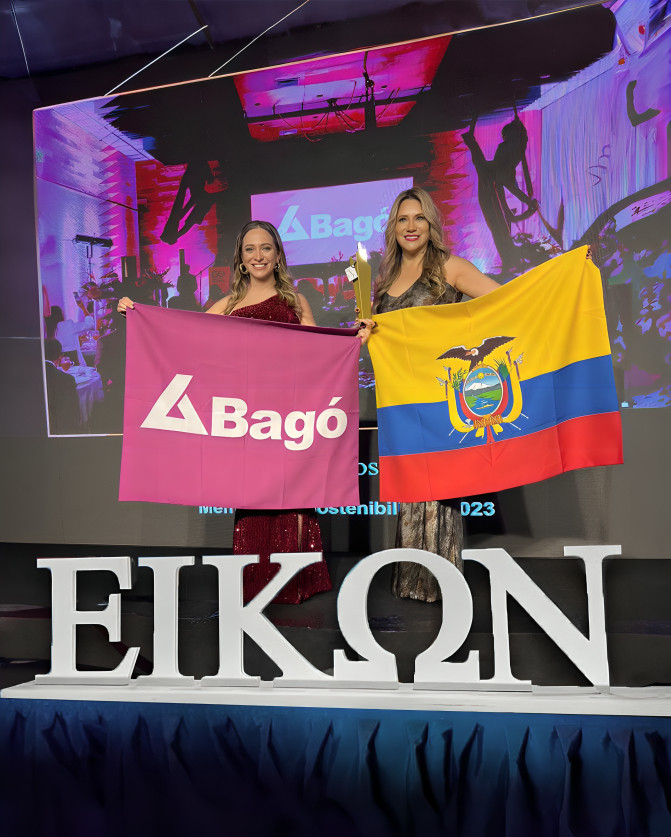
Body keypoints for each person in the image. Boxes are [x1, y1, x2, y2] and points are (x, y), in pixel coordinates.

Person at [118, 221, 373, 604]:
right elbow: (185, 336)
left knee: (295, 497)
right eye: (250, 249)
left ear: (277, 254)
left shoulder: (295, 301)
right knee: (252, 499)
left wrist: (355, 340)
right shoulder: (228, 305)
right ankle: (256, 582)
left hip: (286, 421)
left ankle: (298, 583)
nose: (258, 256)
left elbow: (320, 353)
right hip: (247, 425)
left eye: (265, 248)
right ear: (240, 258)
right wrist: (139, 316)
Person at [368, 187, 500, 602]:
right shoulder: (384, 280)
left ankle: (441, 582)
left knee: (439, 491)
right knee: (410, 487)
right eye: (403, 219)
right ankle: (412, 580)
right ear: (394, 227)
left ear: (431, 225)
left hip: (439, 397)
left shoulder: (449, 268)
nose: (411, 226)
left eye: (419, 218)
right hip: (399, 401)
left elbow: (504, 302)